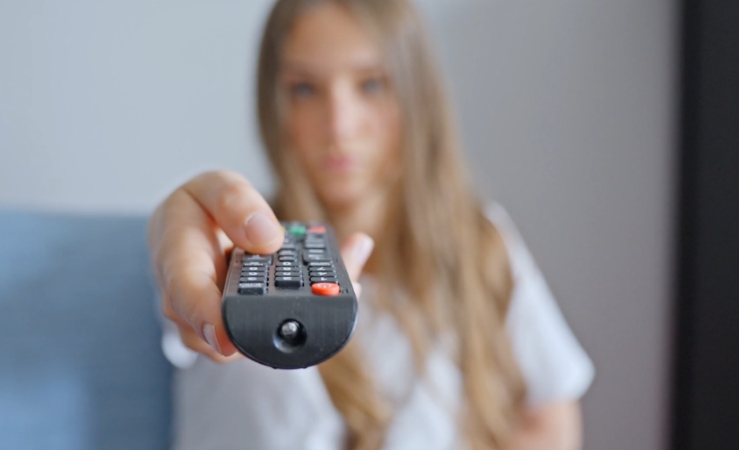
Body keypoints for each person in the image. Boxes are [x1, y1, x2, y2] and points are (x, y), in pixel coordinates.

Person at [148, 0, 594, 449]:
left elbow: (549, 414)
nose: (339, 125)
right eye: (304, 89)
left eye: (372, 84)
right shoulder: (232, 253)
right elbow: (185, 291)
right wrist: (176, 235)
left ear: (416, 97)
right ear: (273, 105)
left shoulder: (480, 244)